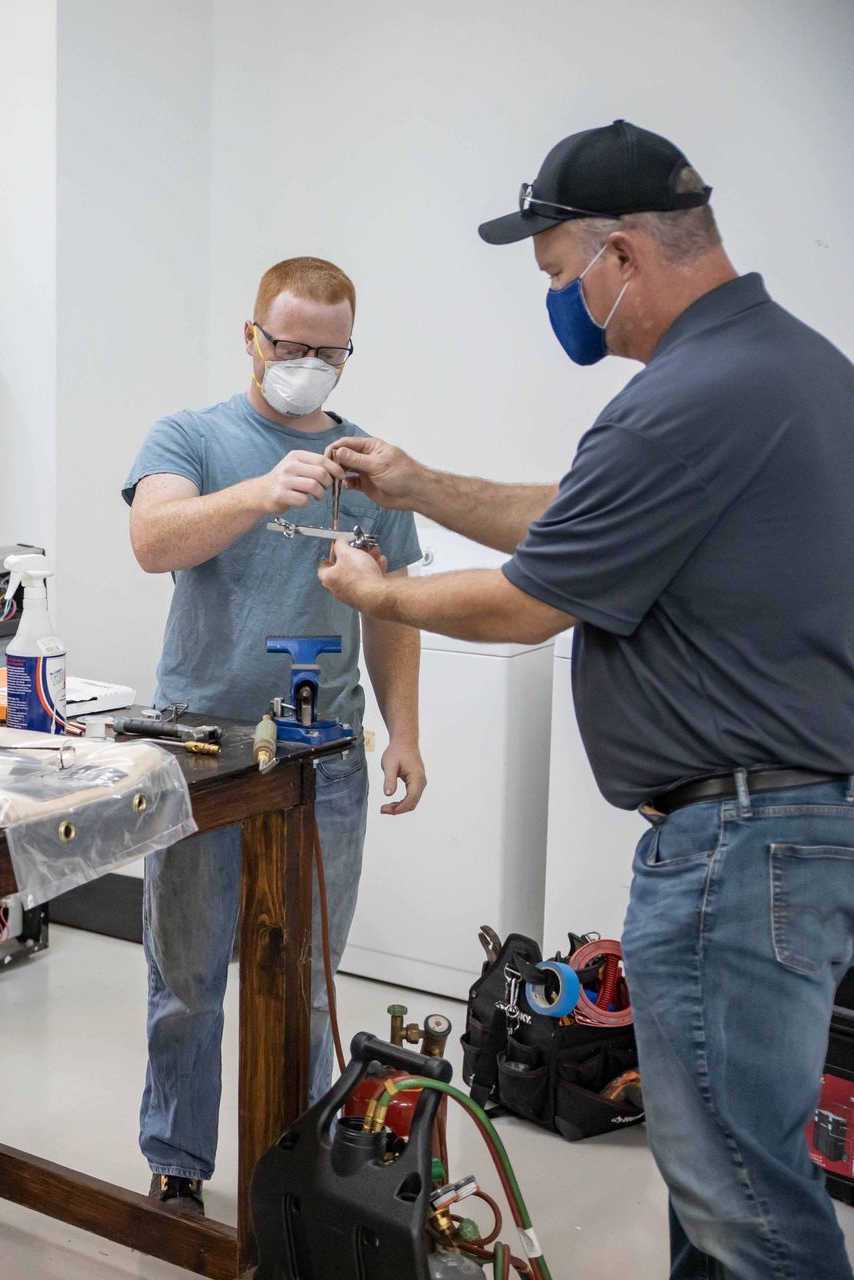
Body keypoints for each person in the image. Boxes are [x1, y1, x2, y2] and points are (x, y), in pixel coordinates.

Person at [317, 120, 854, 1280]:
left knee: (746, 1201)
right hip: (788, 833)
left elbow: (529, 598)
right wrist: (416, 484)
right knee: (736, 1167)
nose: (560, 302)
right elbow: (577, 515)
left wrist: (384, 590)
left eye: (560, 277)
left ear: (621, 256)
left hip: (737, 845)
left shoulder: (692, 394)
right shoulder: (785, 366)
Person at [123, 256, 426, 1217]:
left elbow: (394, 612)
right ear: (250, 336)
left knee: (306, 985)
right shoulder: (194, 436)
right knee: (188, 976)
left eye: (327, 352)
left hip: (321, 761)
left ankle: (291, 1174)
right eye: (290, 345)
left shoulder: (373, 466)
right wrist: (259, 492)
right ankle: (178, 1158)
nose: (306, 364)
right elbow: (151, 541)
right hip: (200, 756)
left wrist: (404, 732)